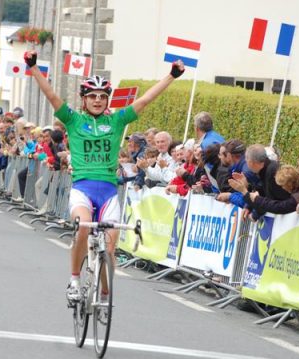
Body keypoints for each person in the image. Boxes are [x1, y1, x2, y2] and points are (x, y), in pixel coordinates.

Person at [25, 49, 186, 301]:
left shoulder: (117, 122)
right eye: (92, 96)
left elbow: (145, 100)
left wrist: (171, 76)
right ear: (84, 100)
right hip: (82, 189)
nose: (98, 100)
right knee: (81, 229)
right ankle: (75, 281)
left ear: (107, 99)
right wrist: (34, 68)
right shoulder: (74, 120)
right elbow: (52, 95)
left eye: (102, 96)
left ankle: (104, 295)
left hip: (109, 191)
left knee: (109, 250)